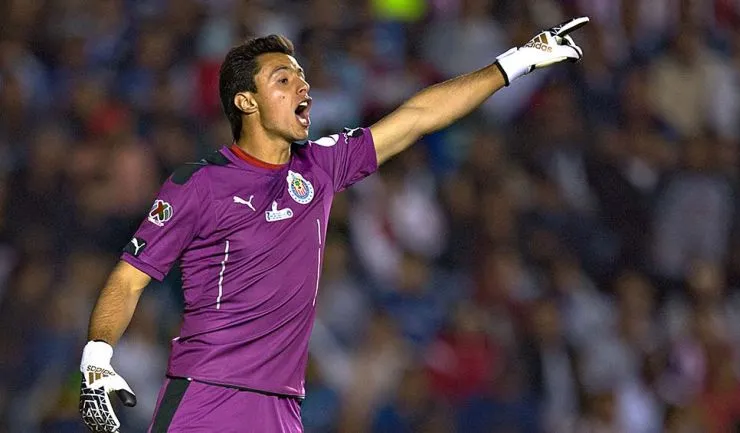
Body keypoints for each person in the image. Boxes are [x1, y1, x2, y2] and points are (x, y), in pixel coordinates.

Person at [78, 17, 589, 433]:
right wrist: (97, 358)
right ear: (245, 101)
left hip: (282, 409)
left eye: (302, 75)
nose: (303, 84)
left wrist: (516, 62)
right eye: (283, 78)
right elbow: (129, 277)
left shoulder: (319, 167)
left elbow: (416, 117)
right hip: (209, 397)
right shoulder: (200, 184)